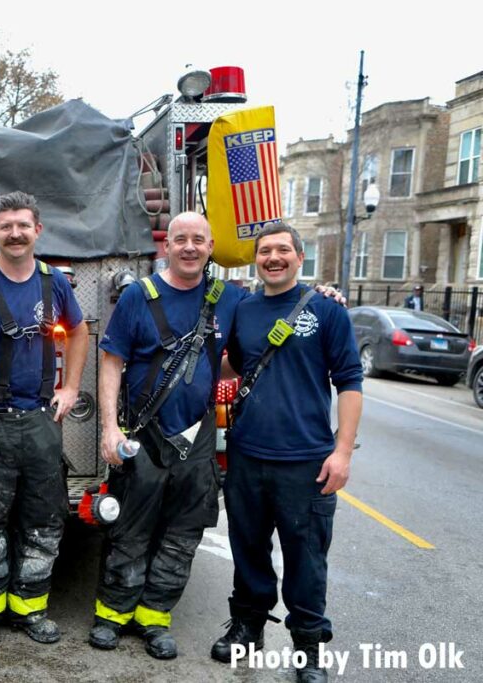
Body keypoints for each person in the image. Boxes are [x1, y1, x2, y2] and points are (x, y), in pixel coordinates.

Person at [89, 212, 246, 660]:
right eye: (181, 240)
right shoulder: (139, 296)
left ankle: (154, 619)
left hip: (197, 439)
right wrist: (108, 428)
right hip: (144, 434)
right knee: (130, 531)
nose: (190, 247)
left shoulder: (228, 300)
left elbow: (245, 354)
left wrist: (324, 298)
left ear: (211, 246)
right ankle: (112, 615)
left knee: (181, 535)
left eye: (199, 240)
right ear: (168, 247)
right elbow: (112, 361)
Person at [211, 222, 363, 683]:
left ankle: (308, 648)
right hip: (247, 454)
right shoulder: (243, 308)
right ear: (256, 260)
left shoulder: (326, 310)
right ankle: (248, 627)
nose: (273, 258)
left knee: (306, 559)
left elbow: (350, 382)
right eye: (264, 252)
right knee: (248, 550)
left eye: (282, 250)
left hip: (307, 462)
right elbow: (231, 364)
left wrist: (342, 453)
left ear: (300, 257)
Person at [0, 191, 88, 653]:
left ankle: (30, 608)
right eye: (6, 226)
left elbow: (80, 331)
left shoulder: (54, 284)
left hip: (41, 422)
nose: (15, 233)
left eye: (23, 225)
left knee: (43, 522)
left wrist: (70, 388)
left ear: (37, 231)